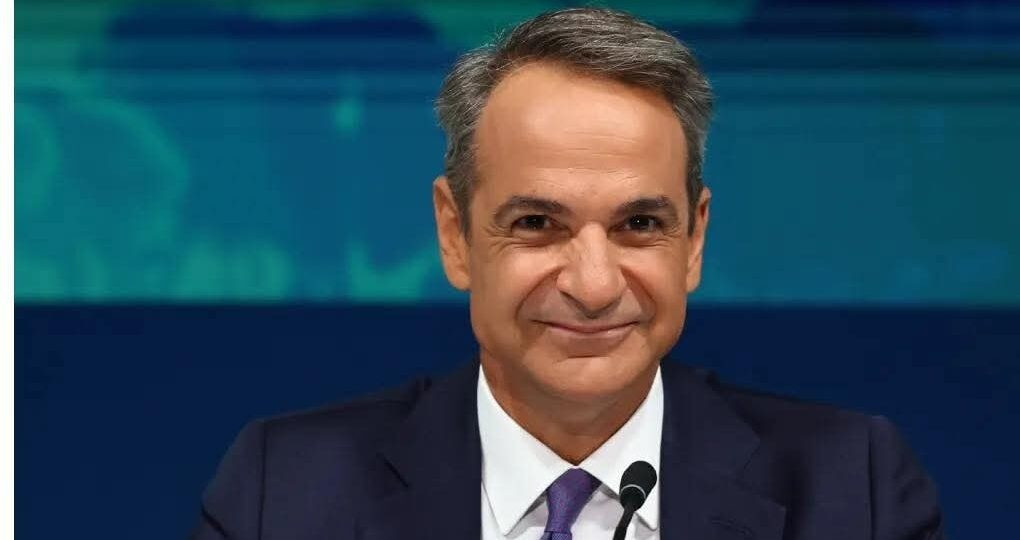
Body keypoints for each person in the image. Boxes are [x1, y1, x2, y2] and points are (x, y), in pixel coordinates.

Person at [191, 7, 944, 540]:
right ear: (455, 236)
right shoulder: (284, 493)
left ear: (694, 240)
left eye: (638, 225)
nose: (593, 285)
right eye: (536, 224)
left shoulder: (852, 492)